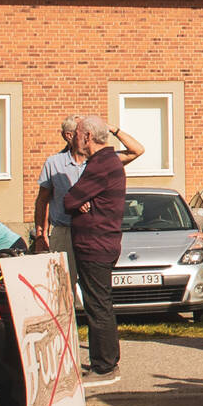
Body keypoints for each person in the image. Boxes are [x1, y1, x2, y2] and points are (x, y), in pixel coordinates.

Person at [62, 116, 131, 389]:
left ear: (88, 137)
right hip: (102, 243)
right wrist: (81, 199)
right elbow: (77, 199)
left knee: (98, 305)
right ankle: (107, 361)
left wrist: (79, 200)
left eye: (78, 134)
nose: (74, 139)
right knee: (101, 303)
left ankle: (104, 366)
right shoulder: (107, 161)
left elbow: (69, 199)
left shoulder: (101, 164)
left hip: (95, 244)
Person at [33, 116, 143, 284]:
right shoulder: (54, 163)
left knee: (91, 286)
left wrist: (111, 128)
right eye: (81, 131)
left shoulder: (102, 160)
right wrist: (40, 235)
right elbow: (42, 200)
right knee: (62, 285)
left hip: (91, 236)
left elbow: (137, 150)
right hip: (64, 231)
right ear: (69, 136)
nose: (86, 135)